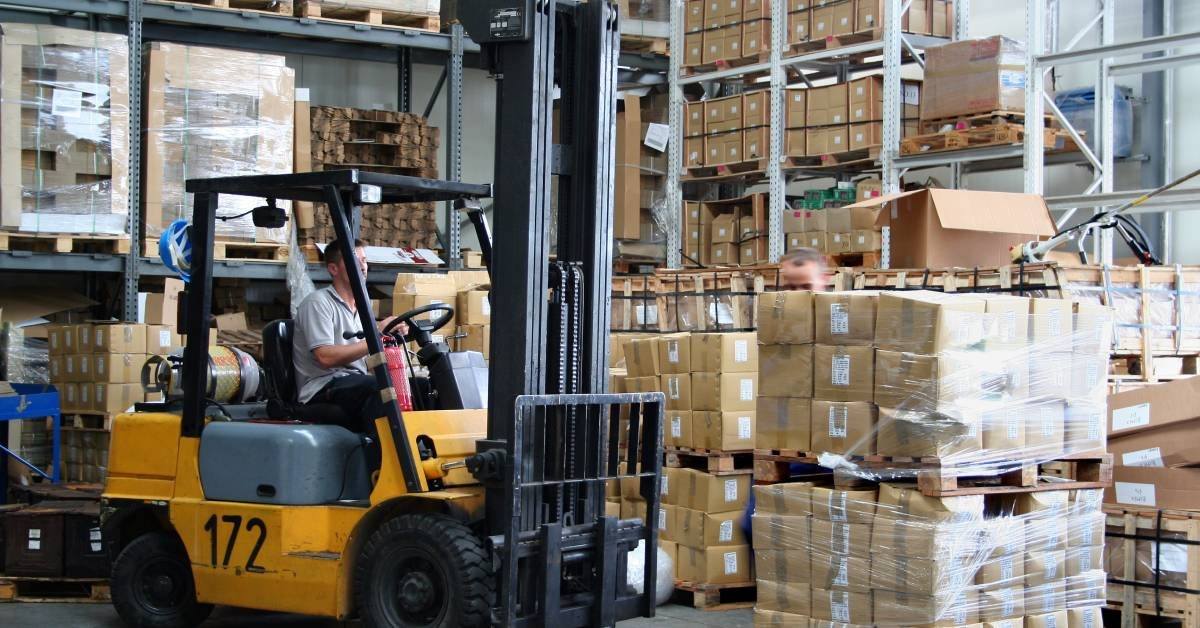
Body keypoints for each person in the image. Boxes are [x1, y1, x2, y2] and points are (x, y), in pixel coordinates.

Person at [292, 238, 404, 456]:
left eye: (364, 260)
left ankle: (415, 455)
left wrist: (391, 339)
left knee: (418, 386)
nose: (363, 266)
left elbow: (368, 357)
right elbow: (325, 357)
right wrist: (376, 335)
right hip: (323, 386)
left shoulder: (363, 308)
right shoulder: (318, 303)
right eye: (355, 260)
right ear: (333, 268)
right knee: (379, 388)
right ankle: (380, 463)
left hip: (353, 381)